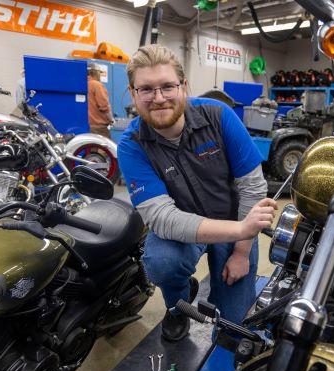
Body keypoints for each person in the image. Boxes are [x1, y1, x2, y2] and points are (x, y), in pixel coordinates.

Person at [117, 44, 276, 341]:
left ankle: (226, 298)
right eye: (147, 89)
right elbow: (162, 218)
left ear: (184, 86)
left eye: (167, 86)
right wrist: (243, 228)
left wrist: (241, 251)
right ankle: (177, 308)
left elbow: (253, 187)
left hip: (233, 224)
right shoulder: (132, 145)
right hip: (183, 227)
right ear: (133, 93)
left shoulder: (219, 116)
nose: (159, 98)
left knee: (232, 329)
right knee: (162, 264)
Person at [87, 63, 113, 138]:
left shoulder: (82, 85)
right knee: (105, 149)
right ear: (95, 73)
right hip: (99, 128)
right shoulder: (97, 85)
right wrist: (111, 120)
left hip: (87, 126)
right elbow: (104, 106)